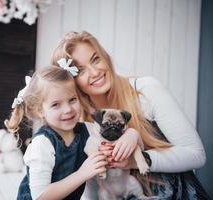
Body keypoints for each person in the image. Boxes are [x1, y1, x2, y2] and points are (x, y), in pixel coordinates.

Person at [51, 31, 209, 199]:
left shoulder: (145, 91)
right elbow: (90, 187)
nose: (95, 72)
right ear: (71, 82)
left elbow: (196, 154)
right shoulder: (79, 121)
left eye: (96, 59)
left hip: (176, 193)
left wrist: (136, 160)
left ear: (105, 57)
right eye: (81, 71)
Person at [4, 64, 108, 200]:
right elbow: (40, 196)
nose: (68, 110)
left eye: (72, 100)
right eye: (55, 104)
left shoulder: (86, 130)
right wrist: (83, 173)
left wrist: (132, 135)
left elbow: (111, 136)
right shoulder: (42, 143)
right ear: (40, 111)